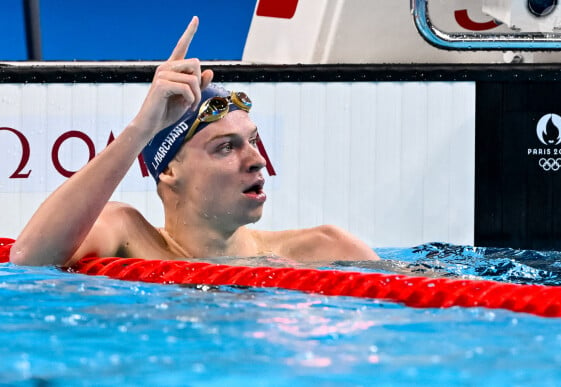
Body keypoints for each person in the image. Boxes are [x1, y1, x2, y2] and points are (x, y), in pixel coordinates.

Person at [9, 16, 379, 267]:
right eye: (226, 147)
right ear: (169, 169)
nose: (257, 160)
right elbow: (29, 258)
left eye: (252, 141)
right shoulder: (128, 236)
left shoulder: (324, 249)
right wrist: (142, 128)